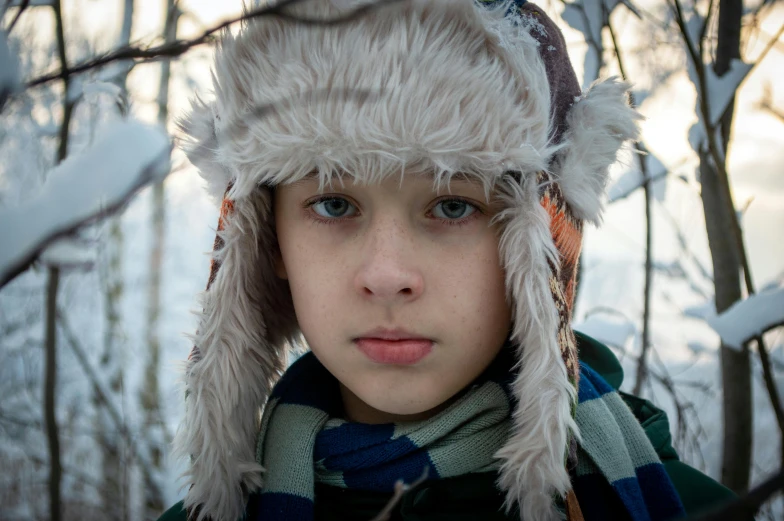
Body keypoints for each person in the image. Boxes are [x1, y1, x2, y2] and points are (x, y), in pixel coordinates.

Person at [158, 0, 736, 520]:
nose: (387, 276)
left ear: (538, 245)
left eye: (454, 205)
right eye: (334, 204)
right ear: (266, 239)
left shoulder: (683, 508)